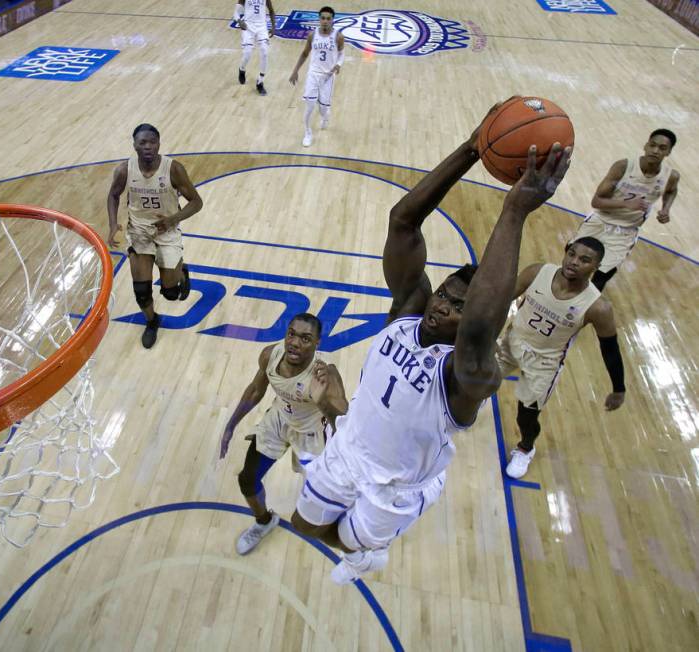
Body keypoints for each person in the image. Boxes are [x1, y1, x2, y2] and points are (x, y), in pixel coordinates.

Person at [290, 101, 573, 584]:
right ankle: (360, 546)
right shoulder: (407, 312)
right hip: (347, 450)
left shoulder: (466, 374)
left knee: (353, 543)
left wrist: (515, 210)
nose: (443, 304)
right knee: (304, 526)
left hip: (397, 487)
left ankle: (365, 554)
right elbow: (402, 222)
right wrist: (471, 148)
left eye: (459, 306)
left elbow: (484, 324)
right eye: (444, 293)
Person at [498, 237, 626, 479]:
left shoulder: (598, 307)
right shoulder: (538, 272)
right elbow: (503, 299)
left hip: (544, 363)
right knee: (476, 380)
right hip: (511, 341)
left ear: (596, 268)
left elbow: (610, 348)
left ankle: (526, 448)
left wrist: (618, 388)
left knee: (526, 416)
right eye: (572, 254)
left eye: (584, 260)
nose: (574, 262)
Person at [219, 314, 348, 555]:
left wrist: (323, 401)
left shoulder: (325, 375)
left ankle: (350, 534)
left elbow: (345, 423)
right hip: (279, 420)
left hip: (313, 436)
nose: (295, 343)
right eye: (291, 334)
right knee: (247, 479)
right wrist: (231, 425)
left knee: (322, 498)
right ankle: (264, 521)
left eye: (305, 338)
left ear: (317, 343)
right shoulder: (271, 354)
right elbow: (256, 390)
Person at [107, 124, 203, 349]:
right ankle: (152, 321)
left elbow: (197, 202)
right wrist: (113, 224)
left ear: (159, 144)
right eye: (143, 143)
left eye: (152, 142)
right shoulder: (124, 170)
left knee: (171, 293)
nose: (148, 147)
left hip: (167, 231)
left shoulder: (173, 169)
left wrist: (172, 219)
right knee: (141, 291)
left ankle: (182, 271)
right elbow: (113, 195)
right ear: (134, 145)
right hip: (139, 232)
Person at [575, 129, 680, 291]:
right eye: (652, 145)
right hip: (600, 221)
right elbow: (596, 201)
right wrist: (625, 203)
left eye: (662, 148)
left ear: (669, 152)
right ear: (645, 145)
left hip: (626, 231)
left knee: (601, 279)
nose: (655, 151)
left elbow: (671, 190)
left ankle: (581, 311)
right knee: (574, 267)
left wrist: (666, 209)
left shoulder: (670, 176)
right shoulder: (624, 166)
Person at [288, 6, 345, 147]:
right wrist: (295, 71)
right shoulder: (312, 35)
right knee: (310, 106)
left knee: (323, 109)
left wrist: (338, 64)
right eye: (323, 18)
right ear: (319, 19)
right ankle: (307, 133)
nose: (325, 21)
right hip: (313, 74)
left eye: (328, 18)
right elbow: (304, 54)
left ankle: (326, 117)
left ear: (332, 20)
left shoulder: (338, 36)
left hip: (328, 76)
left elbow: (342, 53)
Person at [234, 0, 276, 95]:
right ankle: (242, 69)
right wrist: (240, 21)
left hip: (262, 26)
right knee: (247, 53)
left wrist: (274, 27)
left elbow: (271, 11)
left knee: (264, 52)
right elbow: (236, 13)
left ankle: (260, 82)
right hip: (248, 26)